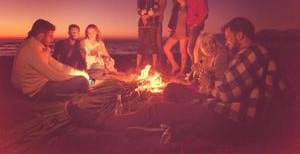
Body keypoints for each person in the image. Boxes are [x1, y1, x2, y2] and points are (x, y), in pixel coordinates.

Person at [66, 17, 285, 143]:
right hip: (219, 108)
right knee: (171, 89)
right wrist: (206, 86)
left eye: (228, 36)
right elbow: (267, 86)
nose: (225, 41)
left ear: (240, 35)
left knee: (158, 110)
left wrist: (209, 87)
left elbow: (225, 92)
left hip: (227, 122)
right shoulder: (253, 55)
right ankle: (172, 129)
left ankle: (97, 121)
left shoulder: (253, 53)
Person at [11, 19, 89, 101]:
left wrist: (79, 72)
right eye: (50, 36)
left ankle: (76, 97)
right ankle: (82, 103)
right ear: (41, 36)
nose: (52, 40)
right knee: (82, 81)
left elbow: (58, 66)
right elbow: (54, 76)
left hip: (42, 84)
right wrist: (77, 77)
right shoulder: (31, 50)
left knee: (81, 77)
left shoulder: (38, 46)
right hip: (37, 91)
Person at [163, 0, 188, 75]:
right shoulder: (176, 8)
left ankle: (182, 70)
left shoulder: (189, 6)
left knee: (182, 51)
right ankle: (174, 65)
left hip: (184, 32)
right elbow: (172, 18)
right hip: (175, 32)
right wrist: (169, 27)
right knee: (166, 48)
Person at [186, 0, 209, 64]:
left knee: (191, 48)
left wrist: (196, 23)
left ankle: (196, 69)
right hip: (192, 24)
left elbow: (205, 11)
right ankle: (198, 69)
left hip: (196, 25)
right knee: (195, 48)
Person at [136, 0, 159, 70]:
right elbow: (138, 10)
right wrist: (143, 15)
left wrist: (146, 15)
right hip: (142, 24)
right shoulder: (140, 1)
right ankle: (137, 66)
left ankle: (155, 66)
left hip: (151, 23)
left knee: (153, 44)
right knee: (140, 44)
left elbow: (156, 9)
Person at [149, 0, 167, 67]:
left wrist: (151, 14)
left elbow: (161, 10)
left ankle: (161, 61)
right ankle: (155, 63)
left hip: (158, 22)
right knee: (153, 43)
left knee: (158, 43)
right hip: (151, 22)